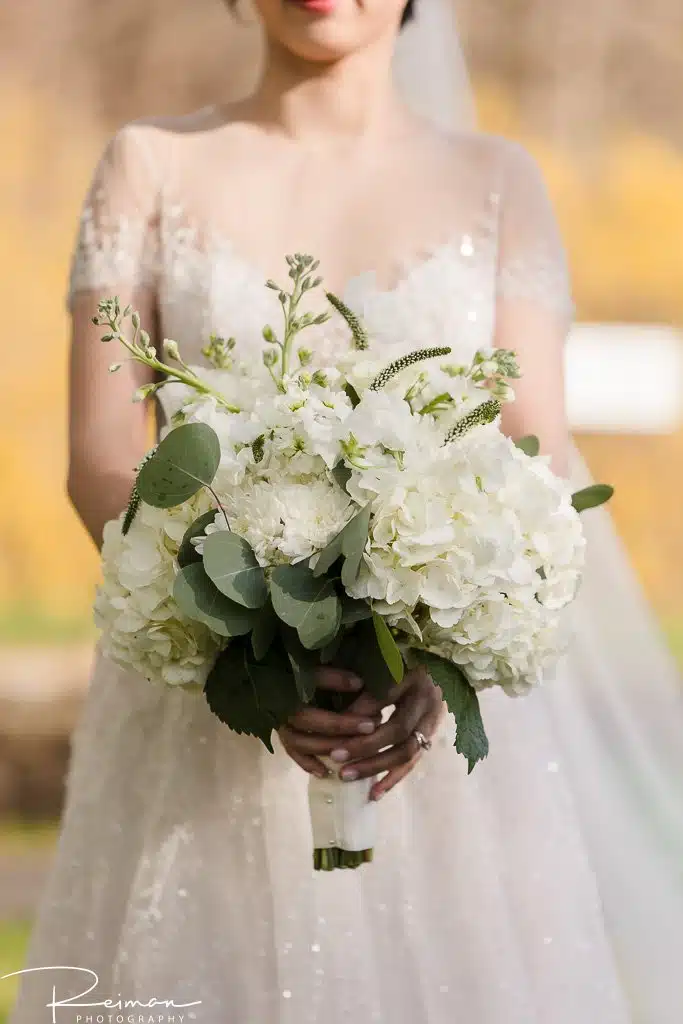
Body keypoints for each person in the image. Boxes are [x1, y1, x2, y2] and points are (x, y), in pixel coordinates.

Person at [8, 0, 683, 1020]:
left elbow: (532, 448)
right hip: (193, 716)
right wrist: (232, 632)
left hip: (427, 737)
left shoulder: (496, 180)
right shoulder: (148, 164)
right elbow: (102, 455)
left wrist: (438, 659)